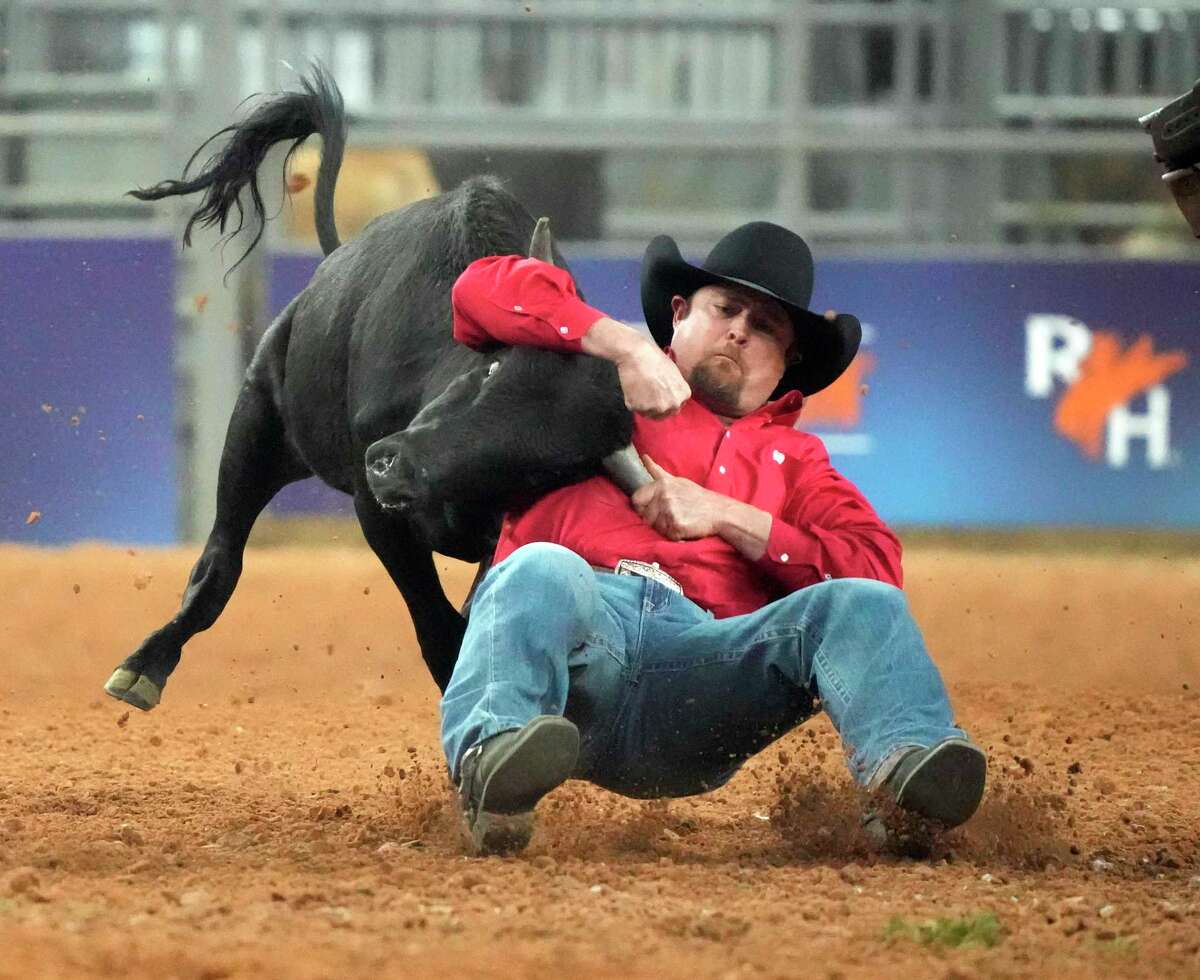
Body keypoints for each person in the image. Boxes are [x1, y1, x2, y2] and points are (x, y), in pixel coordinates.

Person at [442, 221, 986, 855]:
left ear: (788, 362)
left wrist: (727, 515)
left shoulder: (797, 461)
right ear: (677, 314)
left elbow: (873, 568)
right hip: (581, 640)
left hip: (706, 670)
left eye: (767, 329)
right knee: (539, 568)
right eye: (725, 309)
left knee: (868, 605)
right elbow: (478, 292)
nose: (739, 331)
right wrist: (622, 348)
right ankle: (493, 766)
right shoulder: (592, 378)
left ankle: (909, 791)